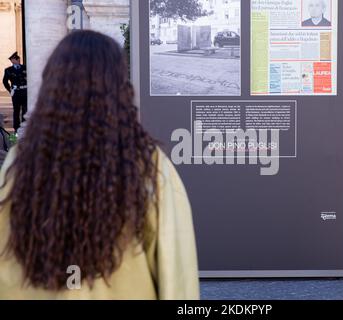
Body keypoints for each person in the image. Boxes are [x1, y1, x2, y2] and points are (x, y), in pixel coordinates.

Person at [0, 30, 199, 300]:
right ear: (118, 88)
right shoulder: (148, 164)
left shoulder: (20, 161)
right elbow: (176, 270)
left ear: (52, 86)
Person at [2, 52, 27, 133]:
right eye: (16, 59)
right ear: (12, 60)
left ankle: (24, 128)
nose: (18, 60)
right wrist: (10, 90)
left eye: (18, 58)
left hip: (24, 91)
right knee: (16, 110)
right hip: (16, 92)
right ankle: (16, 130)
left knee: (25, 110)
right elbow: (5, 81)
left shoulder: (25, 67)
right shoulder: (8, 70)